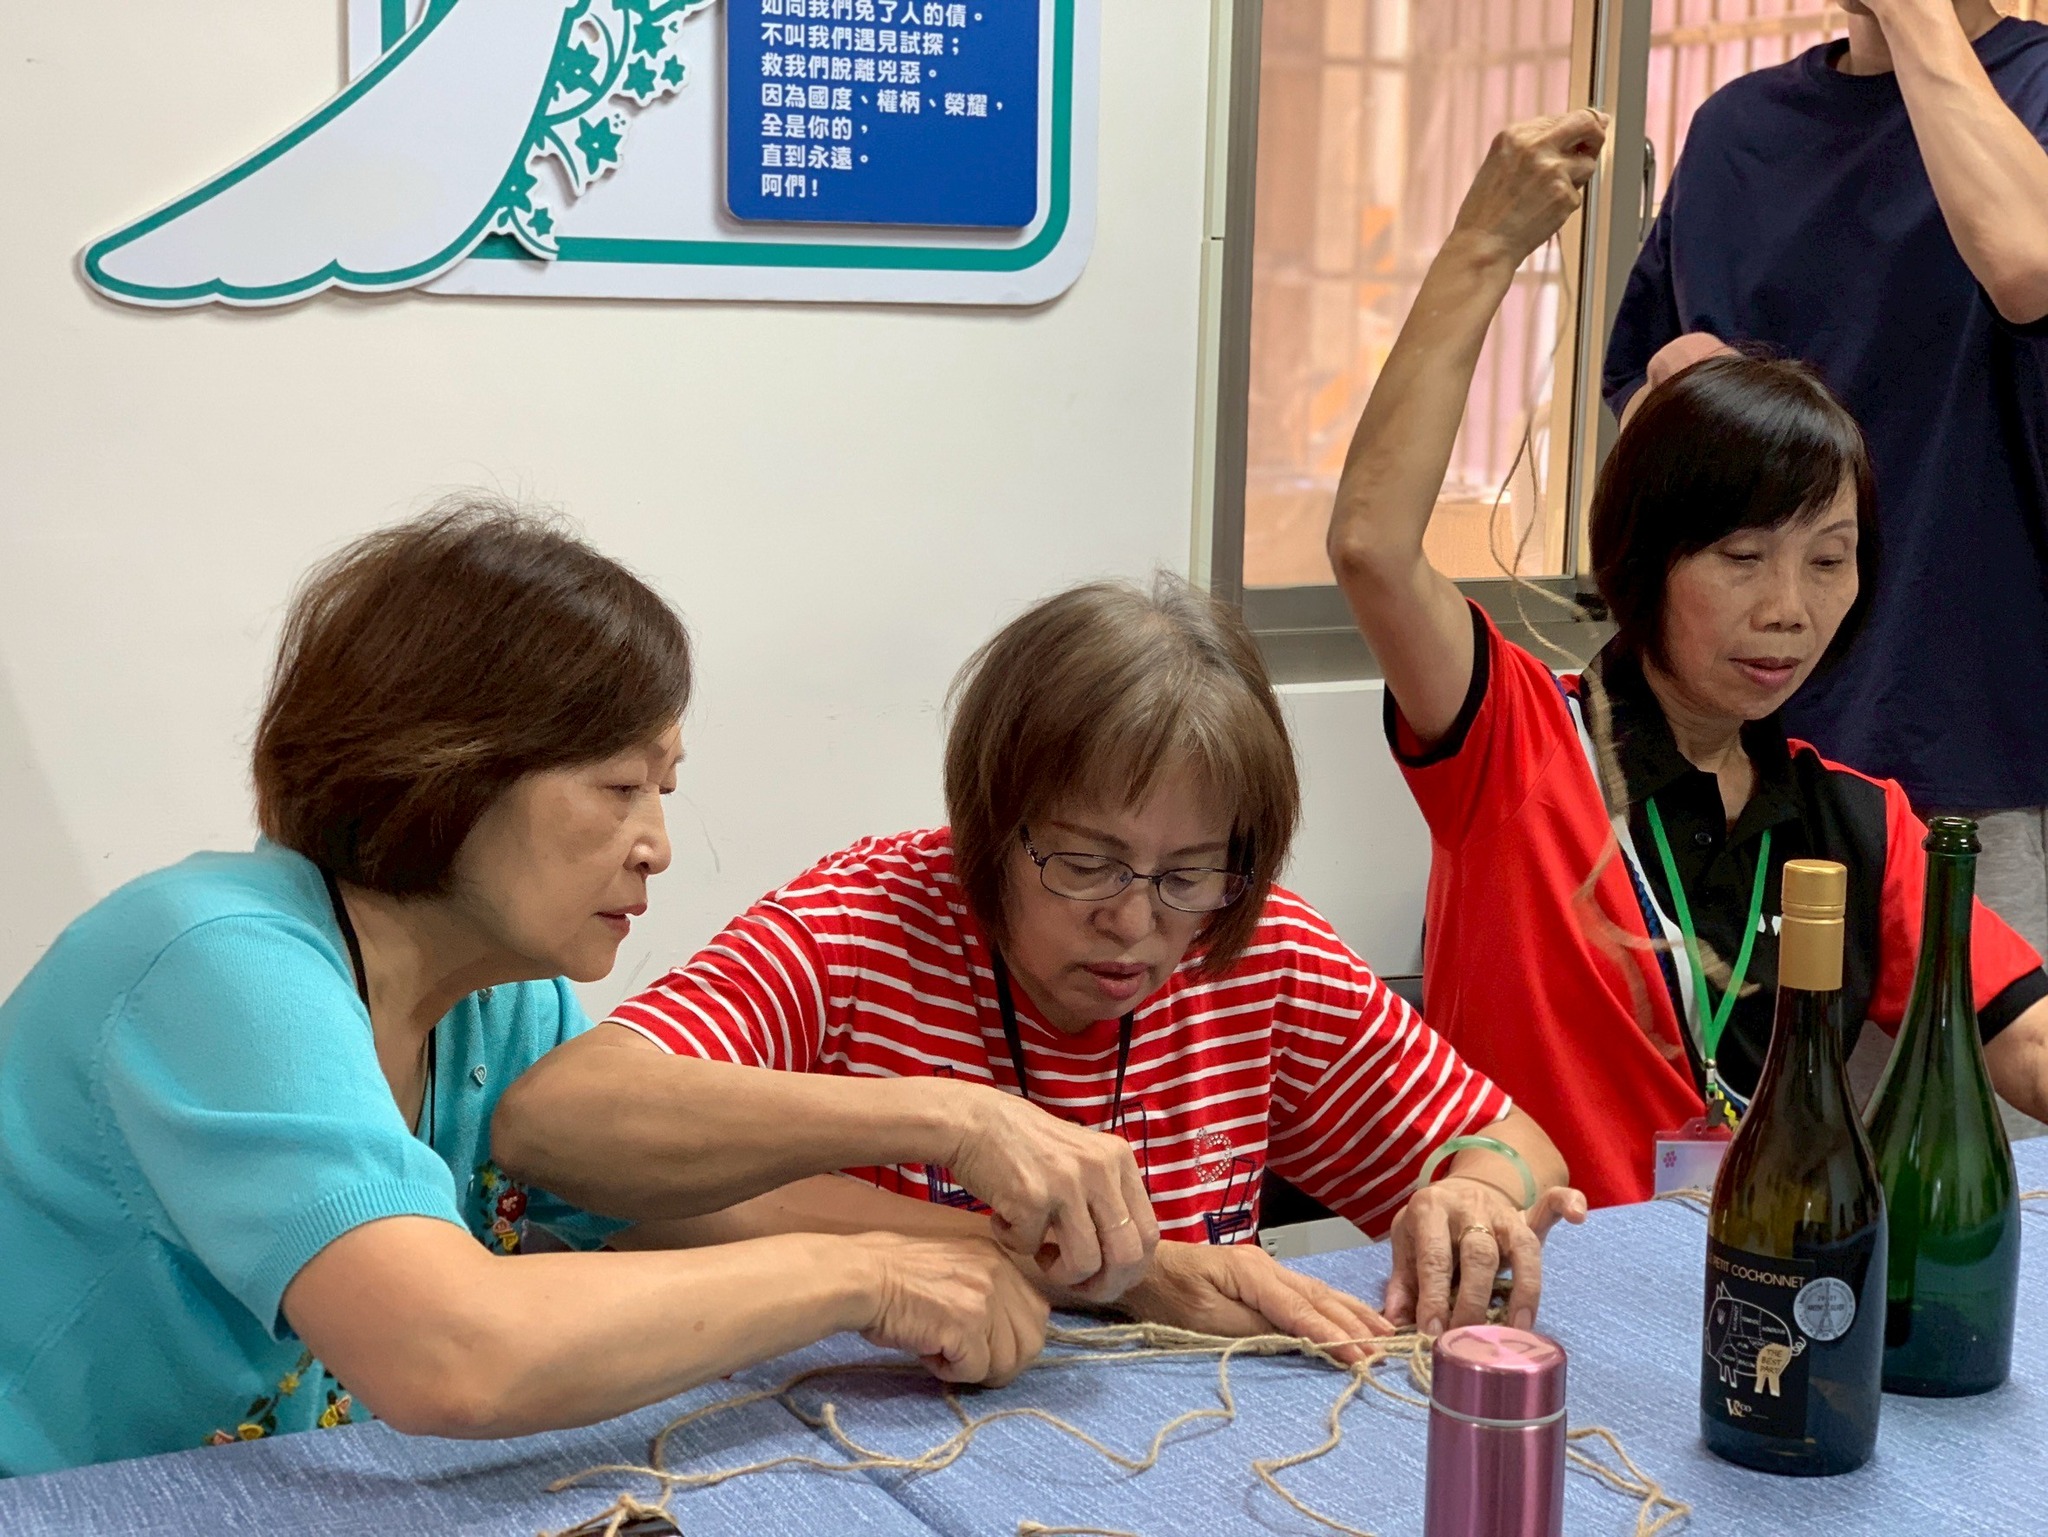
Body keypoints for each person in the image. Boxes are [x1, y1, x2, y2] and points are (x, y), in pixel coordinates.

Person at [0, 499, 1046, 1476]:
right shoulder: (214, 960)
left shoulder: (497, 1004)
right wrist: (864, 1274)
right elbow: (451, 1352)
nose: (658, 845)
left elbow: (693, 1209)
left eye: (662, 790)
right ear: (444, 763)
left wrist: (1065, 1256)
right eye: (620, 786)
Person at [495, 575, 1587, 1353]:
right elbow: (556, 1128)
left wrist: (1475, 1193)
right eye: (1085, 862)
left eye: (1187, 871)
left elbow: (1513, 1143)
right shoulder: (865, 923)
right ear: (989, 825)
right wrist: (959, 1124)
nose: (1134, 922)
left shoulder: (1253, 948)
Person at [1325, 111, 2048, 1208]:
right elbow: (1372, 545)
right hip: (1535, 1276)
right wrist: (1485, 245)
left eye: (1829, 560)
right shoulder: (1517, 741)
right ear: (1646, 555)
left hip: (1760, 1277)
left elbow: (2026, 1042)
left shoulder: (1857, 821)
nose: (1788, 609)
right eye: (1742, 557)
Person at [1603, 1, 2048, 1022]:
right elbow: (1648, 391)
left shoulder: (2029, 93)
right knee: (1748, 1105)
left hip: (1978, 765)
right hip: (1741, 767)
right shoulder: (1738, 130)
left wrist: (1916, 17)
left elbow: (2028, 262)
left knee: (1967, 1106)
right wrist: (1674, 391)